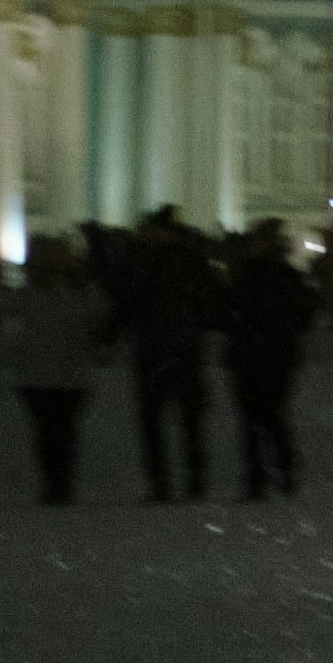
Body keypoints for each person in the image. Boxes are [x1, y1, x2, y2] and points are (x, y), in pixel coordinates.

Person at [0, 227, 104, 503]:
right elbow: (99, 318)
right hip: (70, 376)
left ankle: (53, 485)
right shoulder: (82, 292)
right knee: (64, 433)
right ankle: (61, 484)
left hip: (39, 375)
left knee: (47, 434)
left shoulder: (33, 292)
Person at [121, 207, 220, 500]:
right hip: (185, 349)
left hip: (154, 350)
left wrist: (107, 336)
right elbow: (210, 301)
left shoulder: (146, 261)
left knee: (153, 420)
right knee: (190, 420)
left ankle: (161, 482)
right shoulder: (193, 260)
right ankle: (195, 480)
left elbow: (130, 301)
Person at [218, 220, 310, 499]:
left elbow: (235, 313)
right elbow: (300, 316)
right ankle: (283, 471)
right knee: (271, 417)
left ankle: (259, 477)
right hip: (274, 356)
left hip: (253, 356)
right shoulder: (286, 275)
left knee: (254, 420)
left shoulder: (249, 275)